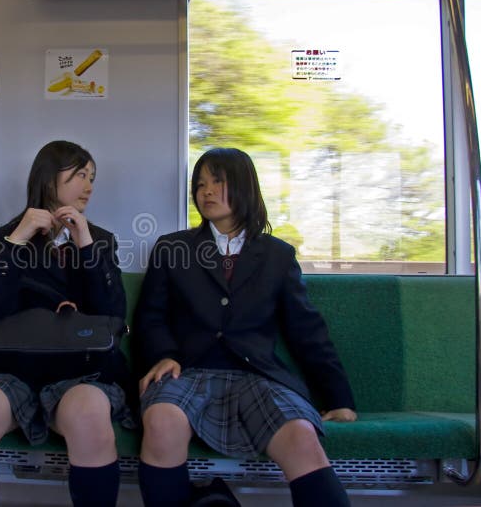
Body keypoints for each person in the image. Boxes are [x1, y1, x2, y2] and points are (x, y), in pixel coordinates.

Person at [135, 147, 357, 507]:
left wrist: (338, 399)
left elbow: (307, 331)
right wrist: (163, 355)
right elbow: (151, 316)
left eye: (217, 182)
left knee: (301, 436)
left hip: (256, 375)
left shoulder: (277, 255)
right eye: (200, 184)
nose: (206, 191)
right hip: (188, 370)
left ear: (244, 187)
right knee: (161, 421)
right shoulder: (171, 248)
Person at [0, 140, 132, 507]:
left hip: (81, 368)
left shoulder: (100, 241)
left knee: (89, 412)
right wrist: (17, 241)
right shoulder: (3, 238)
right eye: (80, 175)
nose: (89, 186)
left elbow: (114, 314)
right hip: (10, 366)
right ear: (49, 177)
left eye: (92, 177)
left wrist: (87, 247)